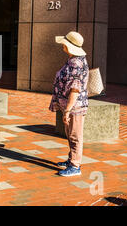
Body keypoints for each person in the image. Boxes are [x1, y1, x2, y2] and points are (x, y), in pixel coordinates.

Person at [49, 31, 89, 177]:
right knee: (70, 133)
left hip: (75, 107)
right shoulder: (72, 59)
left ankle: (75, 165)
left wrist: (67, 110)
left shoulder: (76, 64)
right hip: (69, 105)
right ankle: (71, 159)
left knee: (75, 135)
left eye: (64, 44)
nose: (62, 45)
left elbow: (75, 90)